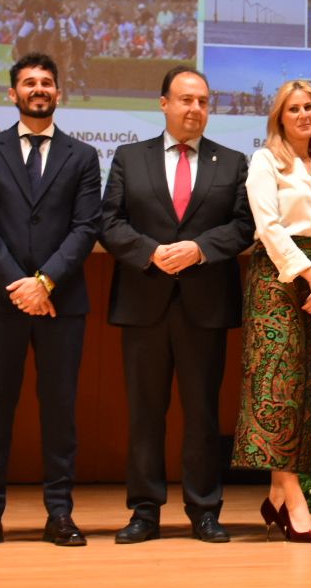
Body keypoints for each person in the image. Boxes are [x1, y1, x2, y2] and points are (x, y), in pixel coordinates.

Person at [100, 66, 254, 543]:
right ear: (163, 103)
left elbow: (243, 225)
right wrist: (150, 252)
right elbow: (109, 221)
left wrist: (200, 248)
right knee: (146, 413)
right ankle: (144, 511)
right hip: (145, 301)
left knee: (203, 413)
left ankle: (204, 509)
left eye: (204, 101)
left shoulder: (231, 162)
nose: (196, 109)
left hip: (204, 304)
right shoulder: (130, 157)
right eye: (186, 100)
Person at [0, 53, 102, 549]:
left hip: (62, 302)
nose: (38, 89)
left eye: (46, 83)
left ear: (58, 94)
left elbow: (87, 228)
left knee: (59, 410)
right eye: (28, 82)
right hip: (1, 301)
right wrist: (20, 286)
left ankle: (60, 513)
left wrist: (44, 283)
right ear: (12, 93)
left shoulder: (82, 156)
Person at [235, 81, 311, 544]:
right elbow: (268, 227)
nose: (302, 115)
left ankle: (275, 499)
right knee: (279, 386)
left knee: (309, 385)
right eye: (293, 109)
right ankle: (294, 500)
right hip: (278, 280)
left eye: (309, 108)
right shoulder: (266, 161)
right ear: (280, 117)